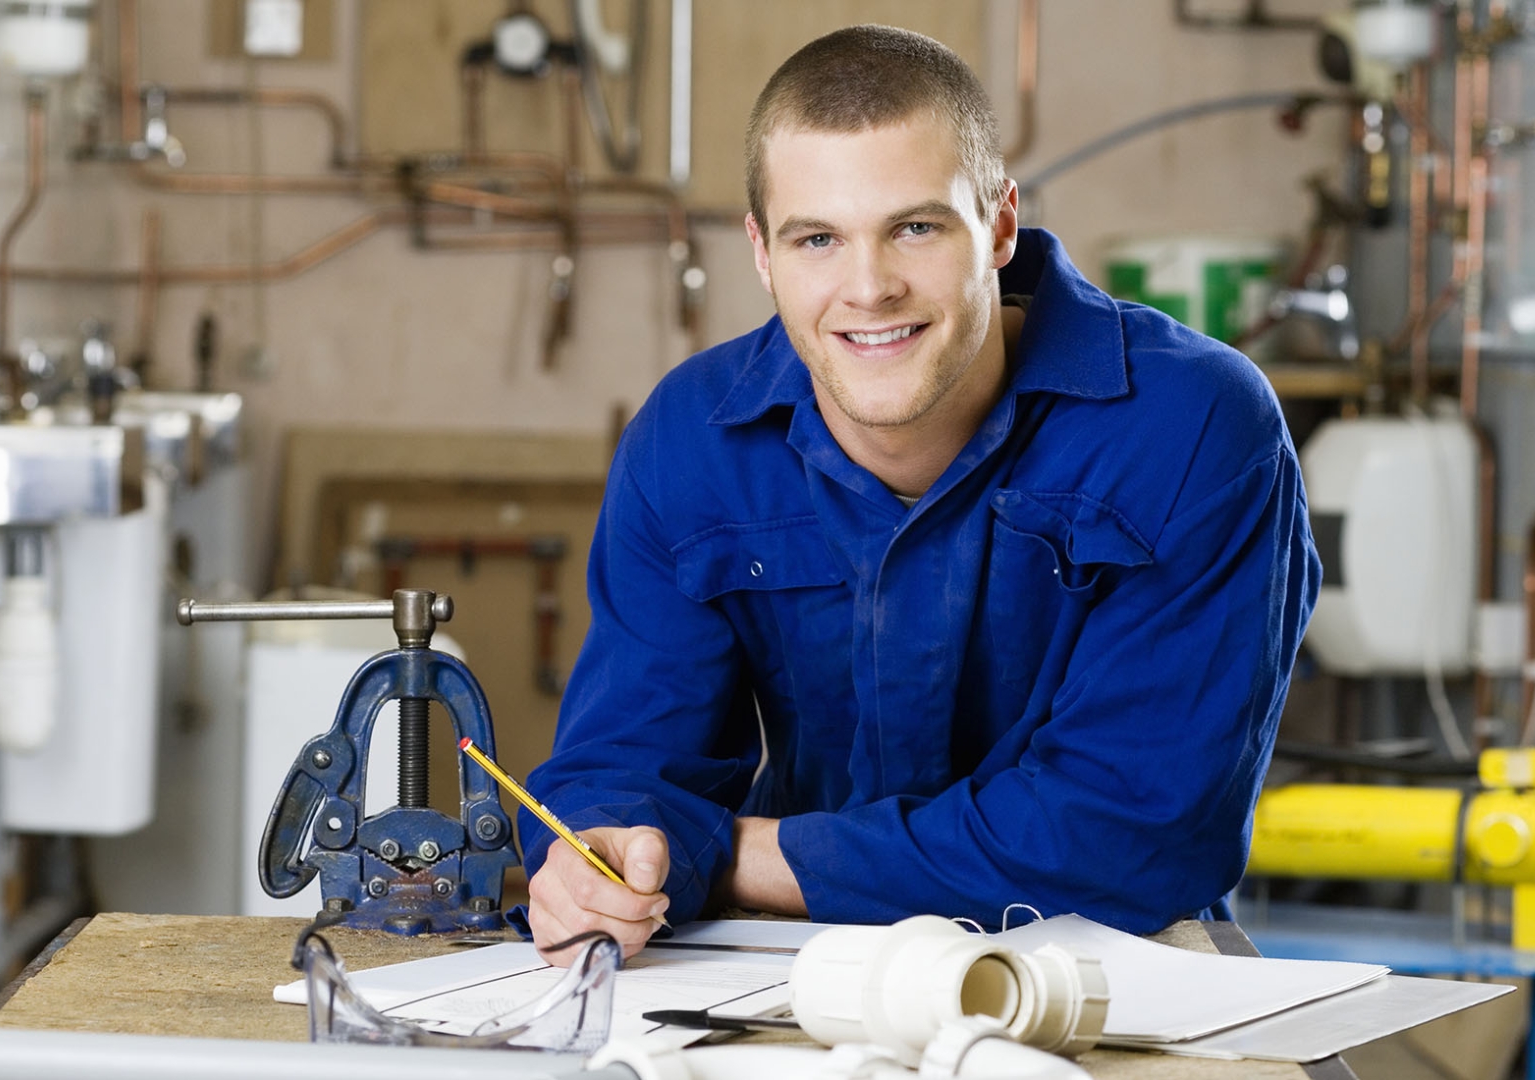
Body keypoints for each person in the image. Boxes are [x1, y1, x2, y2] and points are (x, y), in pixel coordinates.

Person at [518, 24, 1319, 961]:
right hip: (794, 964)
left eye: (915, 228)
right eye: (817, 238)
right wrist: (604, 854)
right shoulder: (690, 442)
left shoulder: (1191, 427)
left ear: (1000, 224)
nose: (869, 288)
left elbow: (1129, 837)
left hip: (1120, 963)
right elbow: (623, 764)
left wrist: (731, 853)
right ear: (761, 252)